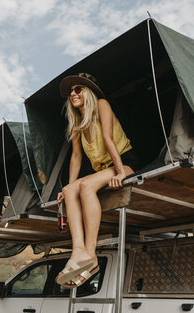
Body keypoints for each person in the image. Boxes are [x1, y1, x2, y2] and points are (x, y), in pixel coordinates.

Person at [55, 73, 140, 288]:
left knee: (86, 186)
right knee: (70, 189)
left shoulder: (102, 104)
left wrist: (121, 172)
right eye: (70, 92)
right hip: (103, 169)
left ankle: (91, 256)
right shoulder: (77, 121)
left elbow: (109, 140)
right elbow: (76, 156)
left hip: (124, 162)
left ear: (89, 92)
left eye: (78, 89)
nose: (72, 94)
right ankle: (78, 252)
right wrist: (67, 188)